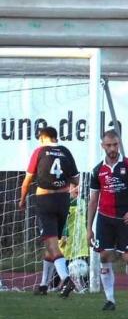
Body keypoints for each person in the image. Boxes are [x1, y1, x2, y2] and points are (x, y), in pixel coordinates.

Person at [87, 130, 128, 311]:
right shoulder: (97, 170)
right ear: (103, 146)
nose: (112, 148)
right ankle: (110, 300)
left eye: (115, 145)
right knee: (104, 255)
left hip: (126, 219)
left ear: (119, 144)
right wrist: (89, 228)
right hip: (105, 219)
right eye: (109, 145)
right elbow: (93, 200)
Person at [20, 126, 79, 297]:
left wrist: (22, 199)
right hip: (63, 201)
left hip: (45, 201)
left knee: (52, 244)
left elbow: (27, 180)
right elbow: (76, 178)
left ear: (43, 137)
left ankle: (66, 279)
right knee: (50, 244)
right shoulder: (66, 152)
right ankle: (44, 285)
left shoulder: (39, 151)